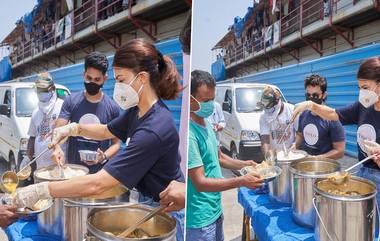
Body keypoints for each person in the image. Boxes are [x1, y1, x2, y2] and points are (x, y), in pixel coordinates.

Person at [14, 39, 185, 241]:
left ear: (142, 78)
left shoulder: (154, 128)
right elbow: (105, 130)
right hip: (149, 199)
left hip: (167, 208)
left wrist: (42, 189)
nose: (118, 86)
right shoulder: (137, 112)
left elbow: (99, 184)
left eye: (121, 79)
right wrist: (73, 128)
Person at [186, 70, 263, 241]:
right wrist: (242, 181)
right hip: (199, 221)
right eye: (206, 101)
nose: (211, 105)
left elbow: (219, 157)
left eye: (213, 99)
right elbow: (200, 183)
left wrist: (244, 163)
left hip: (214, 210)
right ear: (191, 100)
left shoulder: (206, 123)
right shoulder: (190, 135)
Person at [292, 57, 380, 204]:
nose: (362, 93)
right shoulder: (363, 107)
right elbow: (334, 114)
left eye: (365, 88)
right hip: (364, 172)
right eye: (359, 88)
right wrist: (311, 106)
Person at [53, 52, 120, 174]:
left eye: (97, 79)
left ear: (105, 78)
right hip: (73, 171)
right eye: (89, 78)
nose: (92, 83)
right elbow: (58, 131)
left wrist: (103, 156)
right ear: (83, 75)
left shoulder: (112, 107)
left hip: (99, 175)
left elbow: (116, 144)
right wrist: (57, 148)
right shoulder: (71, 101)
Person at [295, 74, 345, 159]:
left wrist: (317, 159)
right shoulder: (303, 114)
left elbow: (340, 151)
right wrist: (294, 147)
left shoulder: (332, 118)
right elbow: (300, 135)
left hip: (322, 169)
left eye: (315, 95)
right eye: (308, 95)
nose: (311, 99)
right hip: (303, 164)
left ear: (324, 95)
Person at [26, 72, 65, 169]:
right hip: (41, 168)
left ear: (52, 89)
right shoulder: (36, 112)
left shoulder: (63, 107)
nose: (41, 93)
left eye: (44, 90)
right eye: (39, 90)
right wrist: (27, 158)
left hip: (59, 167)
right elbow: (32, 137)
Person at [259, 86, 296, 156]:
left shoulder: (292, 110)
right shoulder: (263, 116)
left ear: (278, 101)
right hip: (275, 155)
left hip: (292, 153)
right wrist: (268, 156)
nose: (269, 112)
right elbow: (265, 140)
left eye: (271, 109)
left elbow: (299, 134)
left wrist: (292, 151)